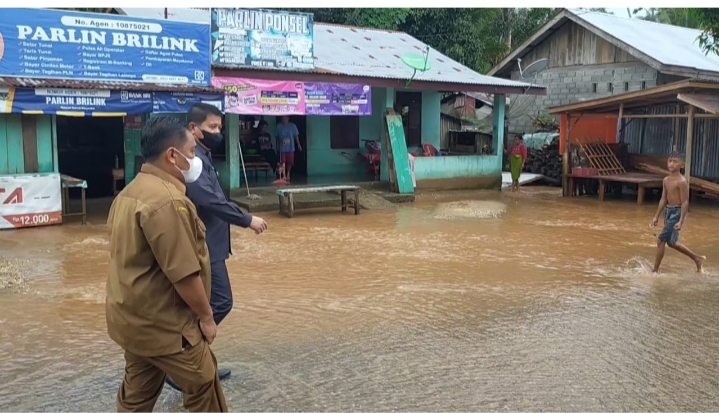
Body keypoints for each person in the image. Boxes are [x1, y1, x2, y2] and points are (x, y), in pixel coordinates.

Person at [106, 116, 228, 412]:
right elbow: (184, 275)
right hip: (167, 326)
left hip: (132, 322)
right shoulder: (168, 201)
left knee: (136, 397)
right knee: (204, 380)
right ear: (171, 155)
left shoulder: (128, 194)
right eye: (190, 152)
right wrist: (207, 318)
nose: (194, 159)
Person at [167, 103, 267, 392]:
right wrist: (247, 219)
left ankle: (195, 362)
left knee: (201, 307)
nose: (217, 133)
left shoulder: (204, 157)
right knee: (220, 303)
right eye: (212, 128)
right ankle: (181, 360)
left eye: (219, 128)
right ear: (193, 129)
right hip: (203, 246)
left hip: (210, 244)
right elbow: (211, 201)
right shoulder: (192, 160)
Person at [650, 151, 706, 273]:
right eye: (670, 161)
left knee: (661, 239)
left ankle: (655, 270)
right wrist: (656, 216)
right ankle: (697, 258)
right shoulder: (666, 180)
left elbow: (685, 202)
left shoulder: (682, 181)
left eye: (675, 161)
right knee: (672, 243)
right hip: (668, 211)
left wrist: (680, 221)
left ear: (682, 165)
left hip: (677, 212)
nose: (671, 164)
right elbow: (663, 199)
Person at [275, 115, 302, 181]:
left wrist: (298, 144)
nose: (283, 120)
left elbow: (296, 135)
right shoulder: (279, 126)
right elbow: (276, 136)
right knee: (282, 161)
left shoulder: (293, 126)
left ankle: (288, 173)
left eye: (284, 118)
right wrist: (279, 141)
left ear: (288, 118)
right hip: (282, 148)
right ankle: (284, 175)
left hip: (290, 147)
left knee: (290, 162)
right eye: (282, 118)